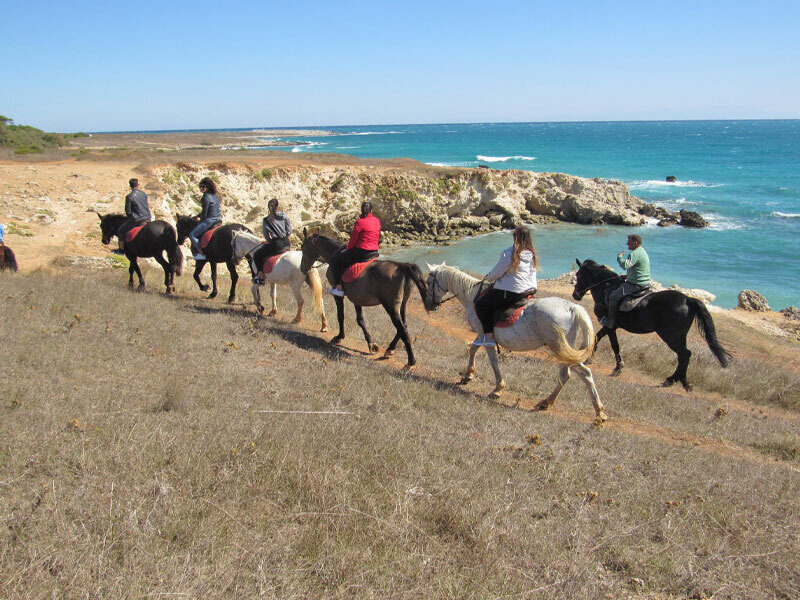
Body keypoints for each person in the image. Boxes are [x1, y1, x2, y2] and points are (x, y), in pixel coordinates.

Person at [473, 225, 539, 347]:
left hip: (513, 292)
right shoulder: (532, 254)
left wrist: (488, 277)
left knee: (481, 304)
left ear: (515, 238)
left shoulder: (509, 253)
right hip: (530, 290)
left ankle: (489, 338)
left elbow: (496, 273)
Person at [328, 201, 380, 296]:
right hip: (375, 251)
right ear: (371, 211)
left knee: (334, 261)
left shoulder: (360, 222)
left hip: (362, 251)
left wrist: (348, 248)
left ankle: (339, 288)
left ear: (361, 211)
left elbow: (353, 239)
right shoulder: (377, 221)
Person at [601, 233, 651, 328]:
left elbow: (625, 266)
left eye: (629, 242)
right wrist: (628, 275)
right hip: (643, 282)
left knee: (613, 296)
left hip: (635, 284)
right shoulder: (642, 251)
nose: (627, 244)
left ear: (635, 242)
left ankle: (610, 321)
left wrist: (619, 257)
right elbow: (638, 269)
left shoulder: (635, 253)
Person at [249, 198, 293, 284]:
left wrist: (271, 241)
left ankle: (261, 277)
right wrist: (284, 238)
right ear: (277, 207)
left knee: (257, 255)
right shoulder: (284, 216)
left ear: (268, 208)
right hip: (287, 243)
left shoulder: (266, 220)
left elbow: (266, 235)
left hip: (276, 244)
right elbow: (289, 231)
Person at [113, 179, 152, 254]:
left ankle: (121, 250)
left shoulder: (129, 197)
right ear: (138, 185)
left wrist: (131, 216)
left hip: (138, 220)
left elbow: (128, 212)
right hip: (148, 218)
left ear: (130, 186)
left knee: (121, 230)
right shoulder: (143, 194)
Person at [188, 177, 222, 260]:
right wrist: (198, 216)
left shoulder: (206, 197)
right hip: (218, 219)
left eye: (203, 187)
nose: (201, 188)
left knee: (192, 234)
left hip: (210, 220)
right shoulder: (214, 195)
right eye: (200, 187)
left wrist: (198, 218)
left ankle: (201, 253)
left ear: (208, 187)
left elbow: (204, 214)